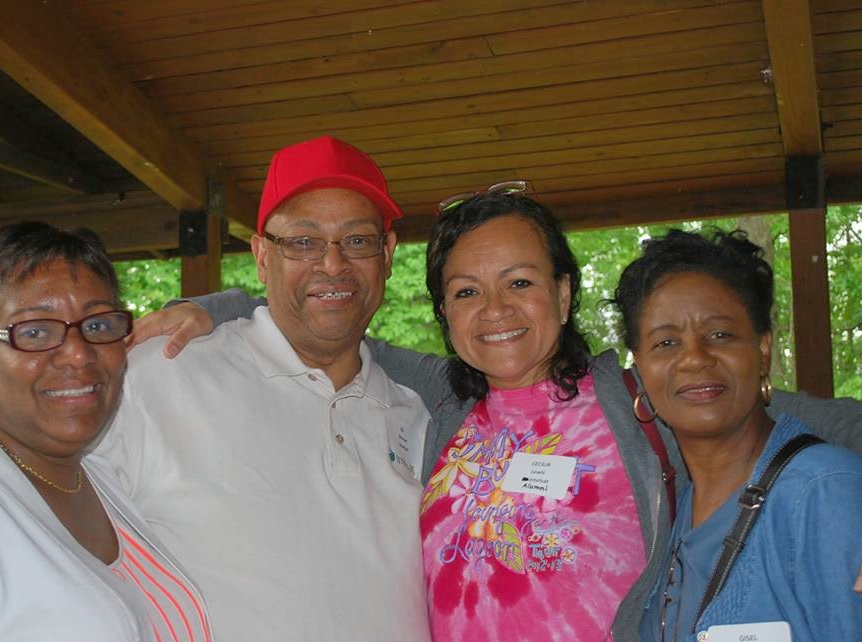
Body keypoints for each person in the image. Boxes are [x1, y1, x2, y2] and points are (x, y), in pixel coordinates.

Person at [141, 189, 862, 641]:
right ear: (446, 313)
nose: (495, 311)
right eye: (466, 292)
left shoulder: (642, 396)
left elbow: (814, 424)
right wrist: (218, 306)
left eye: (519, 282)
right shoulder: (440, 401)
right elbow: (327, 320)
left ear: (563, 293)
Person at [94, 136, 432, 641]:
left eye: (358, 240)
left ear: (387, 254)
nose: (333, 264)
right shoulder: (159, 374)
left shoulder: (415, 415)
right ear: (260, 256)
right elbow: (49, 543)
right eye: (303, 241)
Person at [0, 223, 212, 642]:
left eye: (98, 326)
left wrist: (216, 311)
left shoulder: (98, 480)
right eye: (34, 332)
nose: (78, 354)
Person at [609, 229, 862, 642]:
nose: (694, 359)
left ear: (762, 350)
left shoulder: (823, 494)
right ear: (641, 370)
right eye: (666, 342)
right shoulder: (676, 510)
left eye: (719, 335)